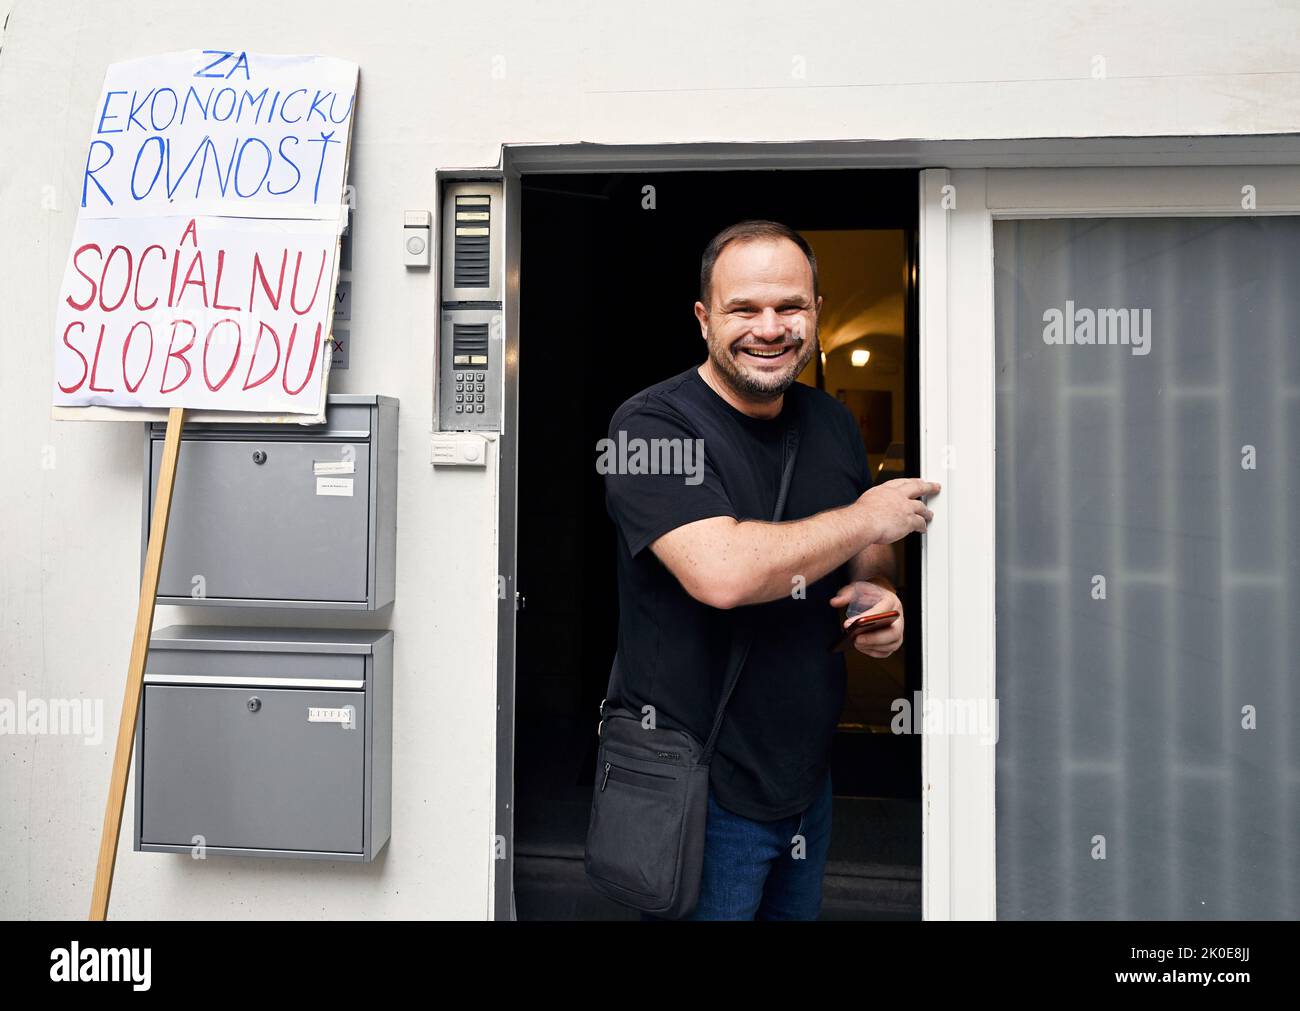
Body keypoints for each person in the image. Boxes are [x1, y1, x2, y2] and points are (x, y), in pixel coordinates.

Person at [601, 219, 940, 920]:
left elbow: (866, 543)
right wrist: (869, 519)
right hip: (699, 784)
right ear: (704, 319)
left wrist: (877, 588)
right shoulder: (651, 428)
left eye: (790, 306)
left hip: (805, 779)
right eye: (744, 309)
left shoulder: (832, 423)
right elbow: (722, 573)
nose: (770, 327)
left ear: (816, 312)